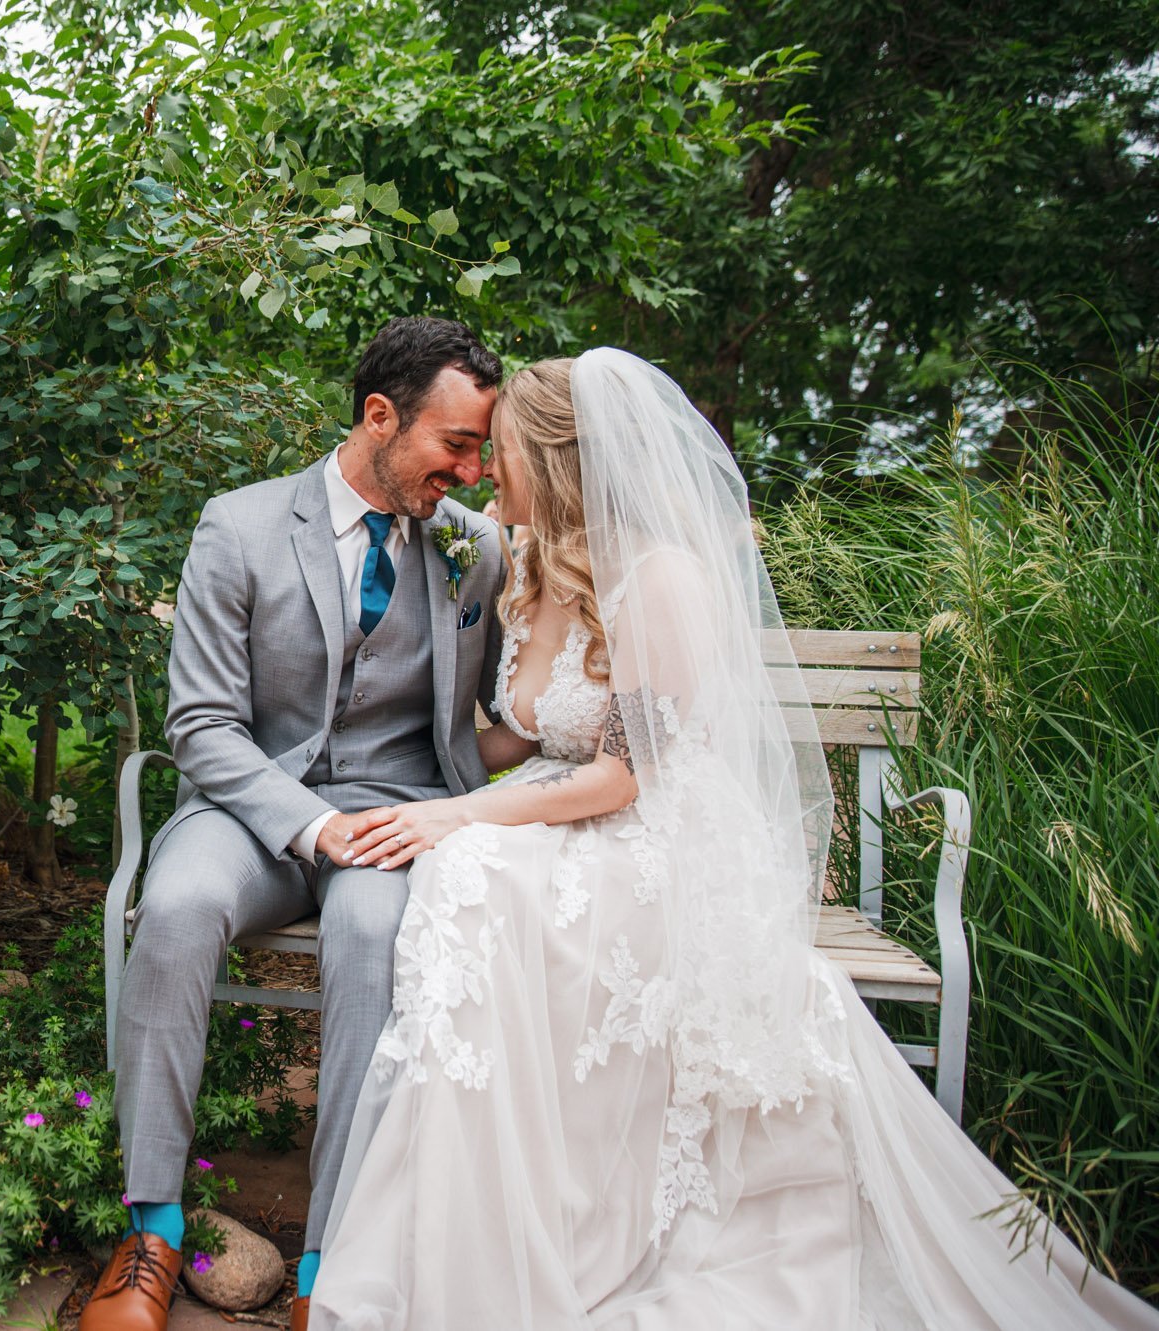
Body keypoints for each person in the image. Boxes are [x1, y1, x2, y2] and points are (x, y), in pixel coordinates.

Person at [307, 349, 1159, 1329]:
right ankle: (495, 1211)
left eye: (499, 454)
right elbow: (519, 733)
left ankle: (535, 1222)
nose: (480, 473)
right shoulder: (535, 565)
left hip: (647, 835)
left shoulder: (660, 579)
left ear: (555, 463)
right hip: (567, 805)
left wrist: (451, 813)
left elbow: (623, 775)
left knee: (469, 866)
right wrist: (379, 732)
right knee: (468, 869)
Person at [78, 317, 507, 1331]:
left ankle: (332, 1256)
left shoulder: (472, 547)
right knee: (176, 907)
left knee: (370, 933)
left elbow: (504, 708)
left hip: (400, 809)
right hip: (251, 804)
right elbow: (200, 723)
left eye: (480, 448)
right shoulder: (239, 526)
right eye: (454, 443)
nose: (471, 468)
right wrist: (310, 824)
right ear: (377, 416)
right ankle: (149, 1225)